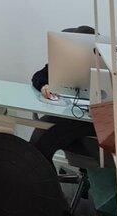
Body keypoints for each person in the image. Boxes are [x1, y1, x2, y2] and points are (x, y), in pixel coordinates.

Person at [29, 25, 97, 163]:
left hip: (91, 121)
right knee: (41, 137)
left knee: (42, 138)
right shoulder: (66, 60)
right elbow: (38, 76)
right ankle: (39, 172)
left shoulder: (103, 64)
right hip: (68, 114)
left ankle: (38, 172)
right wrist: (44, 85)